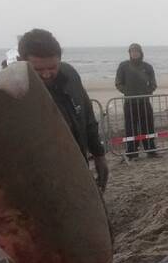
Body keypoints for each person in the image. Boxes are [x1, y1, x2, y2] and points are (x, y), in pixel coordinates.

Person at [18, 29, 109, 191]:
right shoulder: (16, 91)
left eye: (52, 67)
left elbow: (87, 117)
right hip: (40, 175)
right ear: (22, 62)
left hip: (78, 162)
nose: (46, 74)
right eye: (38, 70)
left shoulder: (70, 75)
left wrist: (99, 155)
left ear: (60, 59)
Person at [114, 43, 158, 159]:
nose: (134, 53)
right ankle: (132, 152)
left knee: (148, 126)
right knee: (130, 128)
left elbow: (153, 84)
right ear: (129, 53)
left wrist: (147, 92)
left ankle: (151, 150)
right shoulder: (123, 66)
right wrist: (127, 92)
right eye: (132, 51)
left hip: (144, 102)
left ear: (140, 53)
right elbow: (118, 83)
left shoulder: (147, 67)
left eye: (136, 51)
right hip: (130, 103)